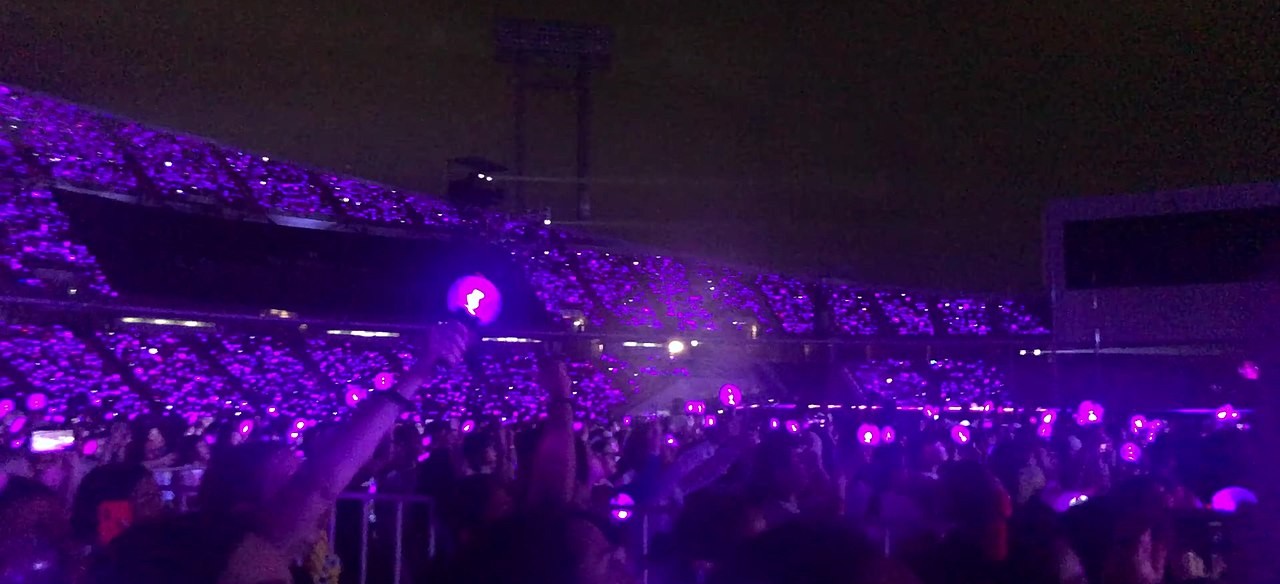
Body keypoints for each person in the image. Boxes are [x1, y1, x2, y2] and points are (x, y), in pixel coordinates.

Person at [91, 323, 469, 584]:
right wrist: (419, 371)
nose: (309, 491)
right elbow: (324, 482)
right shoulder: (237, 553)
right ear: (245, 504)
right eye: (290, 483)